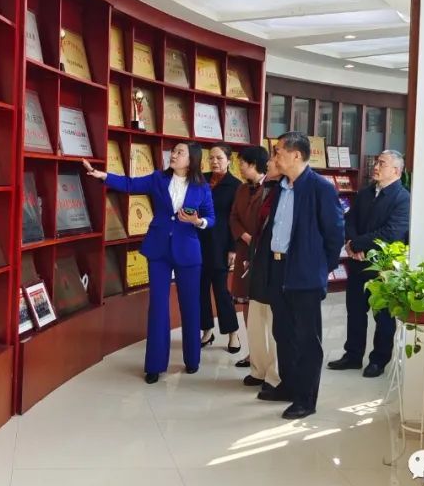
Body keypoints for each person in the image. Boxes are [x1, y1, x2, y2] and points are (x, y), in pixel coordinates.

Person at [82, 142, 215, 384]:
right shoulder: (157, 178)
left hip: (188, 251)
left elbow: (211, 218)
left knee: (190, 306)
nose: (174, 155)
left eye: (180, 152)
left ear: (192, 159)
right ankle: (154, 365)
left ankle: (192, 359)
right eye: (173, 151)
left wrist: (198, 222)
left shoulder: (202, 187)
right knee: (158, 306)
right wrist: (103, 176)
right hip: (158, 249)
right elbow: (130, 184)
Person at [259, 132, 344, 420]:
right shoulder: (281, 187)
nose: (274, 156)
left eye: (278, 151)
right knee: (283, 333)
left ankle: (306, 399)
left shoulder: (321, 188)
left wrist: (320, 267)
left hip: (305, 273)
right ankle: (289, 386)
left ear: (296, 155)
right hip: (278, 269)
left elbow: (335, 234)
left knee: (307, 338)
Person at [327, 150, 411, 378]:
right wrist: (351, 244)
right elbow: (349, 221)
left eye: (382, 163)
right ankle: (353, 355)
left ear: (396, 170)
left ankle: (379, 360)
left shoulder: (403, 198)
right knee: (355, 311)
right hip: (358, 263)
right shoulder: (365, 193)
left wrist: (357, 244)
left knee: (383, 316)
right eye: (376, 162)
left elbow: (391, 233)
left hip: (383, 267)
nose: (376, 166)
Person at [230, 146, 281, 388]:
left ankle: (271, 367)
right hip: (245, 251)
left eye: (243, 163)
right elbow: (233, 217)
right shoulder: (242, 189)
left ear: (255, 164)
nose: (239, 167)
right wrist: (245, 236)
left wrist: (257, 240)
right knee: (248, 304)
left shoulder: (274, 189)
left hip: (265, 256)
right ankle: (255, 357)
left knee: (267, 312)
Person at [199, 144, 243, 353]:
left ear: (229, 160)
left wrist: (233, 248)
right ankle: (207, 330)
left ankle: (233, 333)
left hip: (221, 245)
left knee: (221, 291)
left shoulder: (236, 185)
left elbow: (236, 219)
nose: (214, 162)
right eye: (211, 158)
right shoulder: (200, 180)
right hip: (198, 242)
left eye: (219, 158)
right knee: (200, 290)